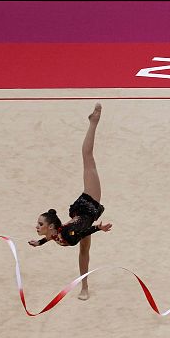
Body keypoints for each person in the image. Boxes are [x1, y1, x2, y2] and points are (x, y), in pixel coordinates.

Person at [29, 103, 113, 300]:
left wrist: (98, 228)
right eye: (39, 224)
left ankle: (94, 122)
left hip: (89, 204)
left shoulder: (66, 233)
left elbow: (80, 232)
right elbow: (57, 235)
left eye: (40, 224)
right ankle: (85, 287)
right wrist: (40, 242)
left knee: (87, 157)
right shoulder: (57, 232)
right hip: (83, 217)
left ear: (50, 226)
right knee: (84, 251)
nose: (37, 226)